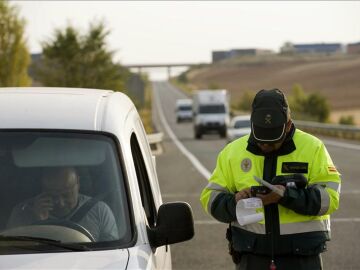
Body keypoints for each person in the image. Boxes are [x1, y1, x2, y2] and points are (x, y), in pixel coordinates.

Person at [200, 89, 341, 270]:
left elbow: (329, 199)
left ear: (288, 125)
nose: (265, 145)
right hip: (252, 257)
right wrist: (235, 201)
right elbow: (210, 200)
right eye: (261, 139)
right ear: (252, 125)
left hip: (302, 258)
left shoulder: (313, 148)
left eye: (273, 140)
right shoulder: (232, 152)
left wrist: (287, 196)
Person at [7, 167, 119, 242]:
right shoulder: (22, 213)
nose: (60, 203)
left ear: (78, 184)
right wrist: (37, 223)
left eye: (66, 195)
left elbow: (113, 254)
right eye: (52, 195)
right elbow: (14, 252)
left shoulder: (99, 211)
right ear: (42, 188)